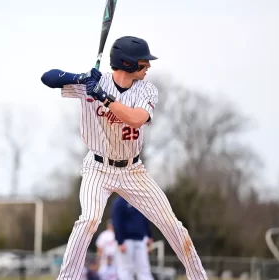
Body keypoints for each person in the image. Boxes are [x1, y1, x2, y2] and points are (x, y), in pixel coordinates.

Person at [40, 35, 208, 280]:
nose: (148, 66)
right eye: (143, 62)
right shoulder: (94, 83)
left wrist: (103, 97)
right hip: (97, 169)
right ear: (127, 63)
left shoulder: (146, 89)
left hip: (132, 171)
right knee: (88, 220)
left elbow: (136, 118)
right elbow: (48, 77)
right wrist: (81, 78)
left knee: (173, 226)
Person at [111, 195, 154, 280]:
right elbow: (116, 223)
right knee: (126, 269)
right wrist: (120, 241)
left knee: (144, 269)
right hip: (126, 241)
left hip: (140, 239)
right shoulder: (119, 203)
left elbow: (145, 220)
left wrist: (149, 235)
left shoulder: (139, 202)